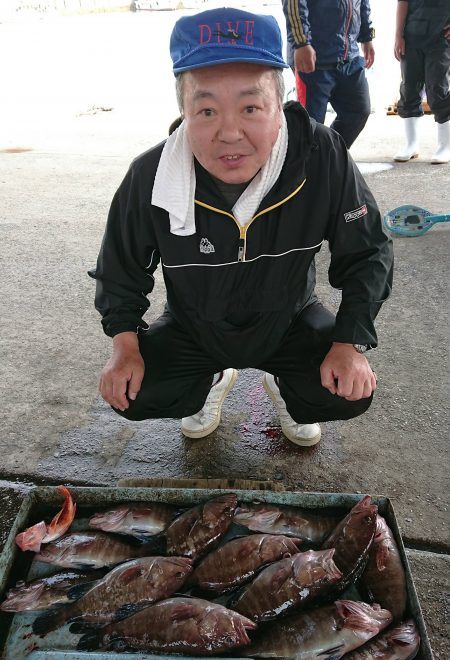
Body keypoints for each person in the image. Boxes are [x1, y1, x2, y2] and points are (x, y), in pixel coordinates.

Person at [89, 7, 393, 448]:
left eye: (251, 107)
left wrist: (349, 343)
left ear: (281, 105)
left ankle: (289, 390)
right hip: (194, 325)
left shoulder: (321, 155)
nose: (229, 132)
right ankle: (210, 379)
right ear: (183, 112)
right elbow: (120, 269)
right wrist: (124, 346)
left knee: (345, 394)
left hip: (289, 319)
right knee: (132, 395)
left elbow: (368, 252)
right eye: (207, 110)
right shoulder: (151, 174)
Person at [282, 0, 375, 148]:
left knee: (359, 110)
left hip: (349, 55)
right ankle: (308, 167)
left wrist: (366, 36)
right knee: (310, 125)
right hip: (313, 60)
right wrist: (301, 43)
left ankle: (330, 156)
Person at [393, 0, 450, 164]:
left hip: (441, 38)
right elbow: (402, 2)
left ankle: (444, 146)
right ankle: (411, 144)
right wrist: (398, 35)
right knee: (409, 87)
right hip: (412, 36)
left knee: (437, 87)